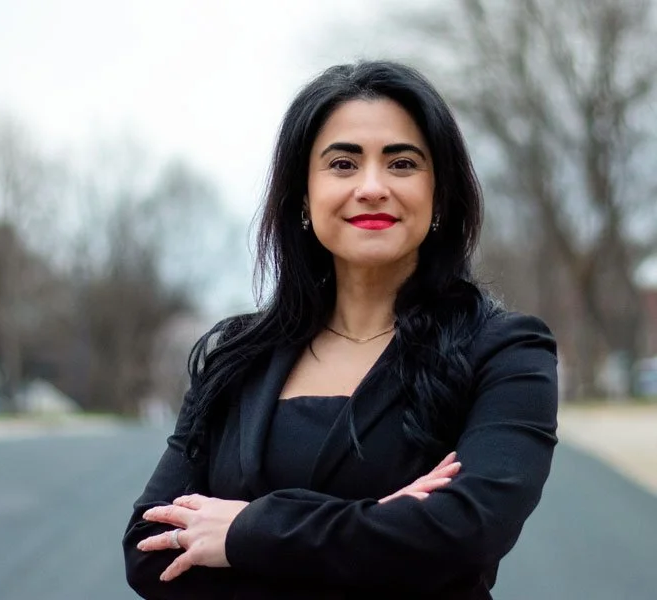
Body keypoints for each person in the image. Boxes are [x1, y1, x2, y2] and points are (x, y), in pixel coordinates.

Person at [122, 59, 558, 599]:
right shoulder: (234, 358)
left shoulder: (506, 352)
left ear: (439, 193)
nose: (372, 187)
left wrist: (246, 531)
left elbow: (466, 533)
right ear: (304, 196)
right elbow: (148, 551)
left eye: (402, 163)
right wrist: (377, 526)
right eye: (343, 164)